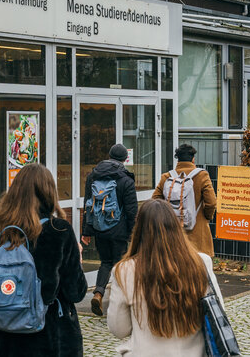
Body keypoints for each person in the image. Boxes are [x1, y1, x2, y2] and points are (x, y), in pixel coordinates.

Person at [0, 163, 87, 357]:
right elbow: (76, 291)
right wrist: (77, 259)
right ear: (49, 193)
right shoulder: (59, 230)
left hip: (0, 337)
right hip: (48, 337)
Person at [107, 199, 224, 356]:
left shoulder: (124, 271)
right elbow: (218, 312)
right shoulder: (201, 263)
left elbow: (119, 329)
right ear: (176, 226)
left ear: (139, 230)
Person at [81, 143, 138, 316]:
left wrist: (87, 231)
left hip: (100, 228)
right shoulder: (126, 180)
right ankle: (122, 303)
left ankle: (98, 293)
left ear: (109, 156)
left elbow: (88, 204)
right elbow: (131, 210)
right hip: (119, 230)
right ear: (124, 159)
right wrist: (132, 233)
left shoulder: (93, 176)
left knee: (106, 262)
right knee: (121, 265)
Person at [152, 144, 216, 256]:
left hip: (172, 232)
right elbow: (211, 202)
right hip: (197, 233)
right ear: (193, 159)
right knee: (198, 268)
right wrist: (206, 216)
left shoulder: (167, 177)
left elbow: (155, 201)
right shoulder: (202, 175)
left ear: (178, 159)